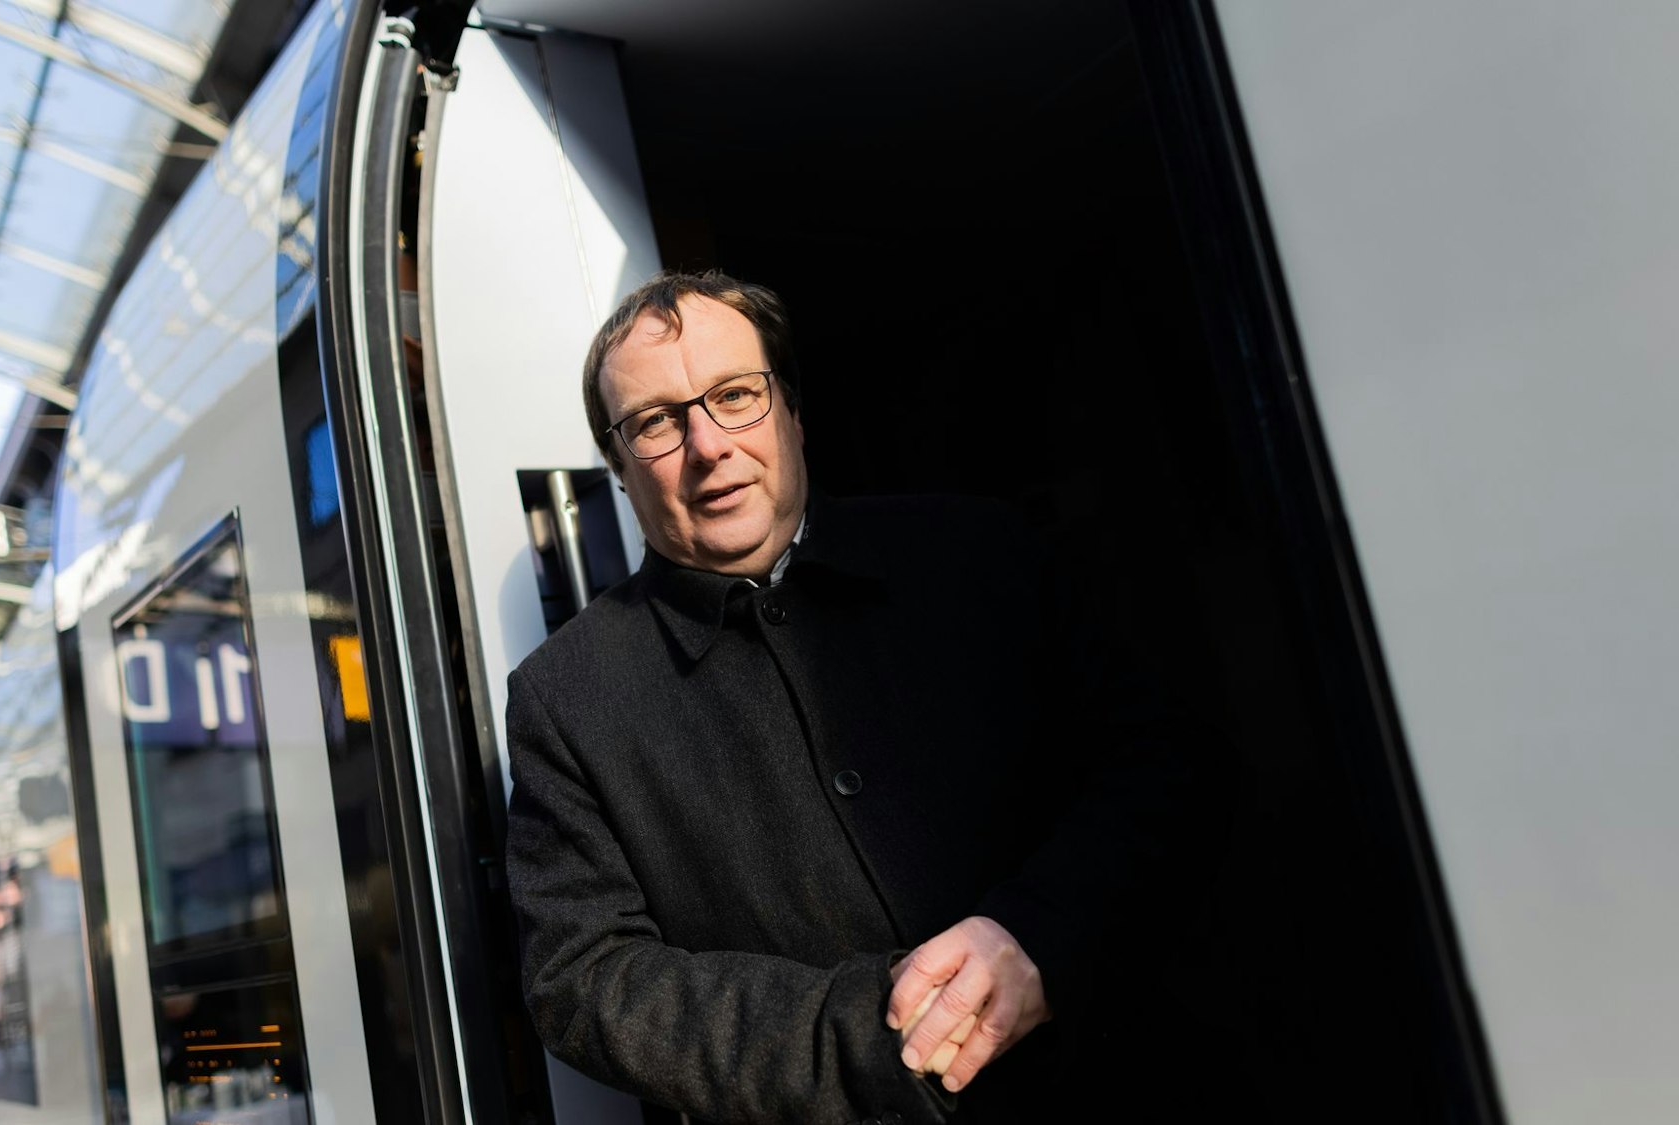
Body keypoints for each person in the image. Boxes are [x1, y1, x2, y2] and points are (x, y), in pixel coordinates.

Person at [502, 269, 1230, 1124]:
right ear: (620, 469)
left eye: (735, 395)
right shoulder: (563, 699)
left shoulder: (977, 554)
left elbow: (1163, 762)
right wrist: (872, 1032)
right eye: (657, 422)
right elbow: (584, 982)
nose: (707, 445)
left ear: (792, 412)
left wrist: (1042, 935)